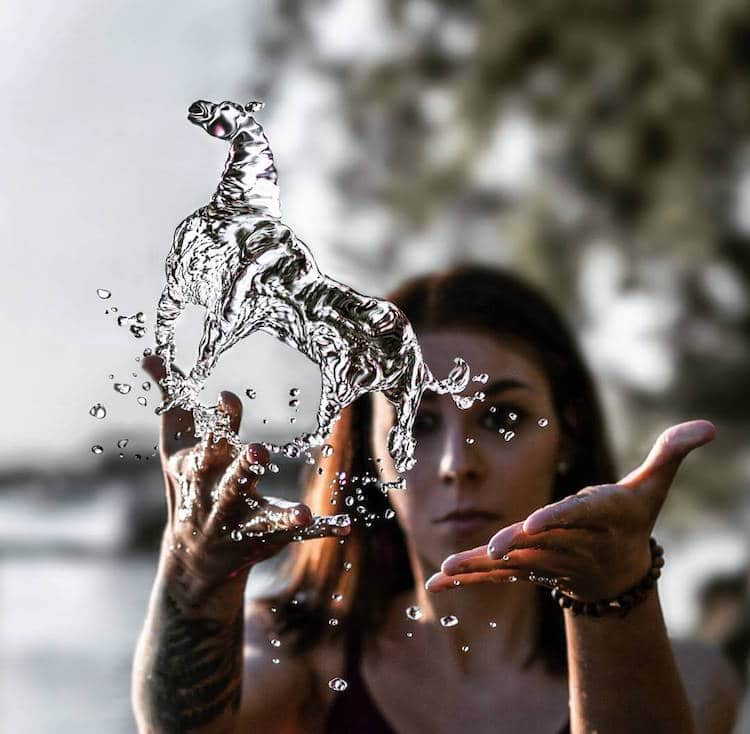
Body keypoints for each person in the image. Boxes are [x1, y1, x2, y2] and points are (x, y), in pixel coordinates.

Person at [132, 266, 738, 733]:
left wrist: (613, 595)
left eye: (503, 416)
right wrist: (192, 575)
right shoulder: (298, 653)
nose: (457, 464)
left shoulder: (688, 678)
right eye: (416, 425)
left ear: (567, 433)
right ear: (370, 452)